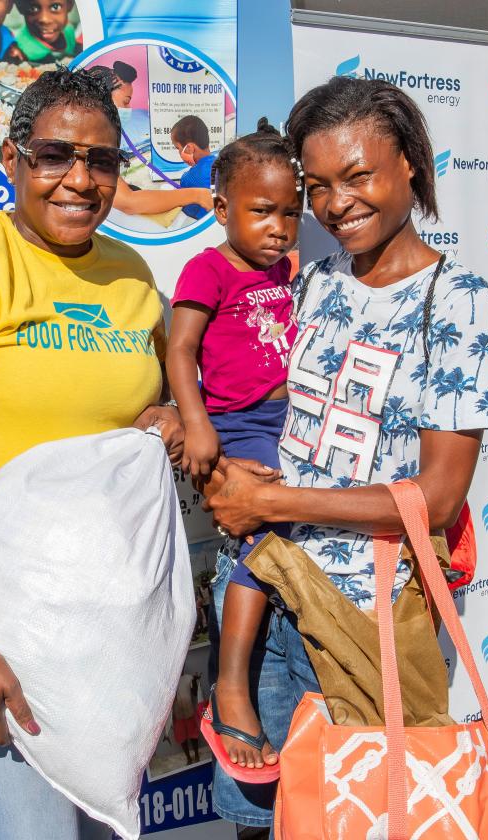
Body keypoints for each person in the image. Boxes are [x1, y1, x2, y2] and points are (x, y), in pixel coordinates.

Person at [202, 77, 488, 827]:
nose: (337, 204)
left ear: (410, 164)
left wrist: (269, 501)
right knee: (259, 818)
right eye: (320, 185)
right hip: (260, 592)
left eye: (358, 176)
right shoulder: (312, 280)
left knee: (356, 818)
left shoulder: (459, 300)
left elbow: (436, 498)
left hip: (358, 617)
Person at [0, 68, 184, 840]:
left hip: (107, 635)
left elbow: (143, 401)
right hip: (0, 623)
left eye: (102, 161)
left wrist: (162, 414)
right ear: (11, 158)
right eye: (56, 154)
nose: (80, 180)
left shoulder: (132, 273)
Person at [166, 120, 301, 779]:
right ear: (221, 208)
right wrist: (197, 426)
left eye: (291, 212)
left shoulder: (286, 270)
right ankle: (231, 684)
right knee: (257, 545)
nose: (280, 226)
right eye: (262, 211)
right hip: (239, 424)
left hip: (289, 420)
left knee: (293, 536)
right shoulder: (207, 268)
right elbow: (180, 349)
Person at [86, 65, 214, 218]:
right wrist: (196, 195)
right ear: (102, 101)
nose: (129, 109)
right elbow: (128, 202)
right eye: (126, 102)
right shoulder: (91, 147)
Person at [170, 115, 216, 220]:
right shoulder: (223, 164)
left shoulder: (189, 178)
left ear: (190, 148)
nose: (179, 152)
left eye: (178, 148)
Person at [14, 0, 81, 62]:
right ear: (21, 8)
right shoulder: (22, 50)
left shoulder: (69, 32)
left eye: (55, 7)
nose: (45, 19)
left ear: (70, 5)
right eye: (33, 8)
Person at [171, 673, 201, 765]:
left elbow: (195, 693)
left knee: (193, 736)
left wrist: (195, 681)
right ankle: (188, 758)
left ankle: (196, 755)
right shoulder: (169, 681)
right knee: (182, 738)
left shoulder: (188, 677)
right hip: (177, 714)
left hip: (189, 712)